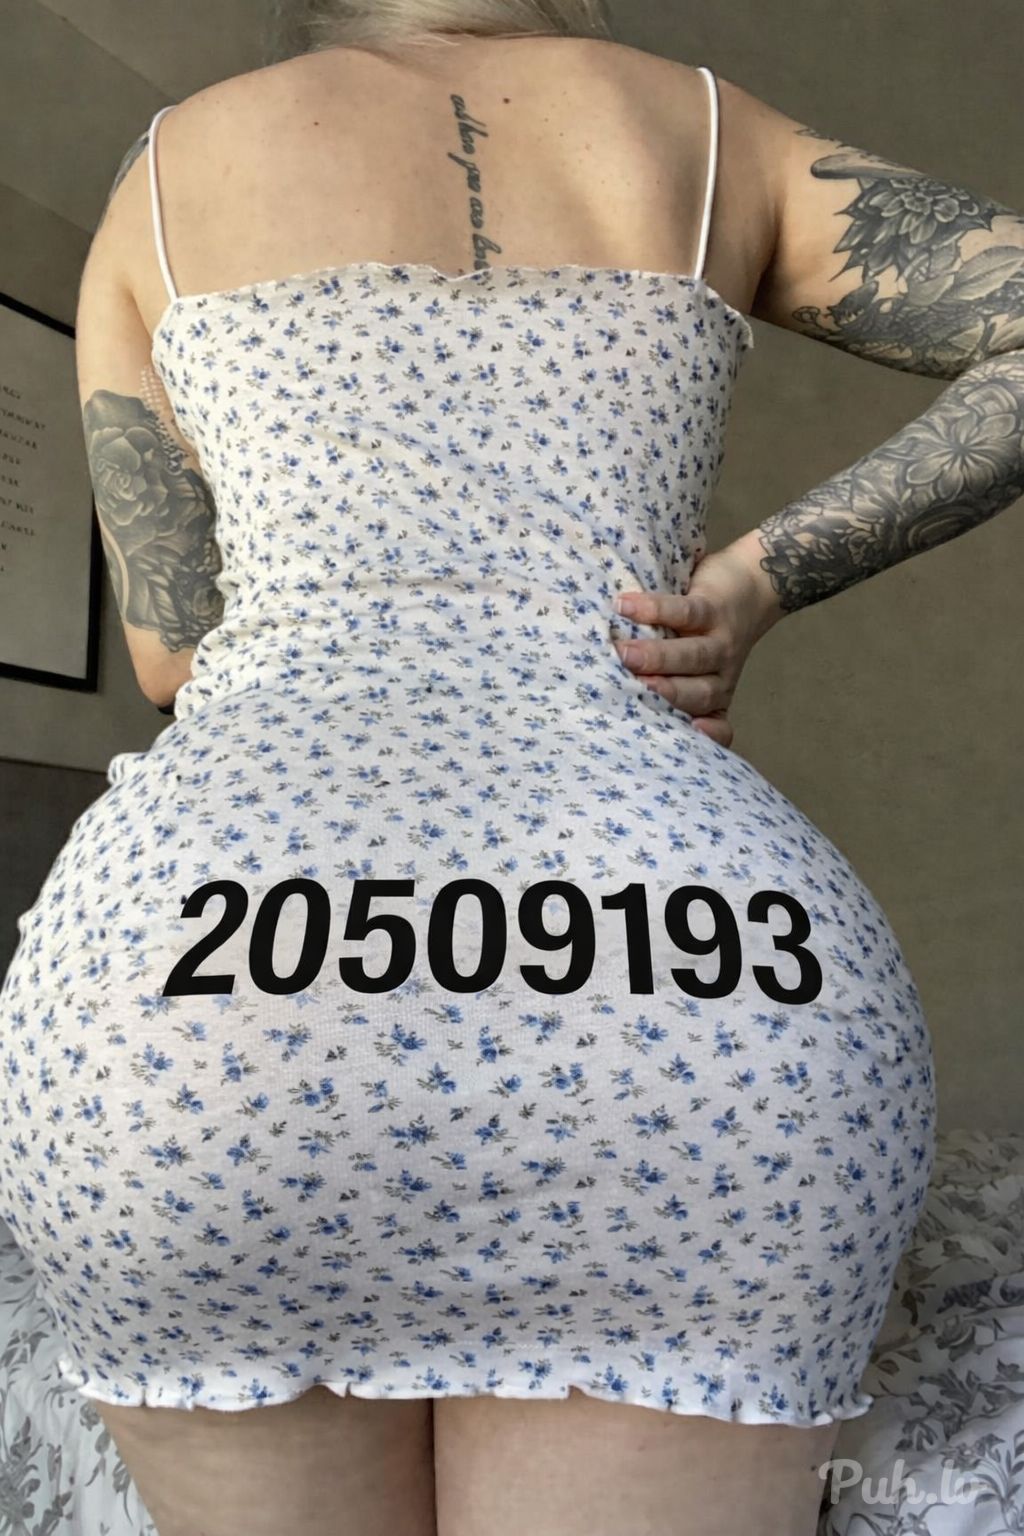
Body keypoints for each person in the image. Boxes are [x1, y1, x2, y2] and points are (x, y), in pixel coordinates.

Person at [3, 3, 1022, 1533]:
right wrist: (750, 585)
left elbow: (172, 651)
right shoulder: (700, 127)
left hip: (200, 998)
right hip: (701, 978)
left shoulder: (166, 167)